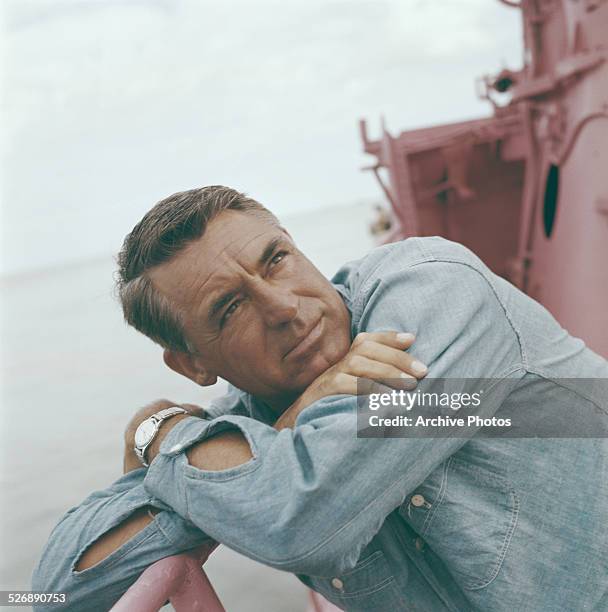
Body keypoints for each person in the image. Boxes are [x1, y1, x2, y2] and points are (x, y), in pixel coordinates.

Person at [33, 186, 608, 611]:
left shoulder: (432, 291)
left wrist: (164, 441)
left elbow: (299, 516)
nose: (283, 308)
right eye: (229, 309)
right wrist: (160, 429)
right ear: (192, 364)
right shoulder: (238, 431)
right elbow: (52, 596)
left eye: (276, 260)